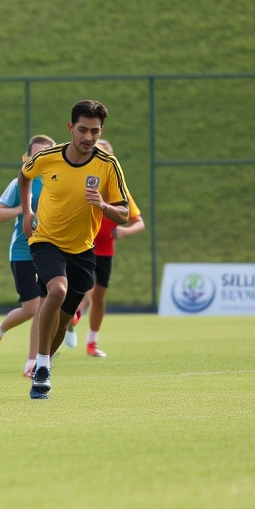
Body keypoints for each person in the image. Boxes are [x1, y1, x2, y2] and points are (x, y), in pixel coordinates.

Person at [20, 100, 130, 400]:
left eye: (95, 131)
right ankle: (42, 366)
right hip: (46, 240)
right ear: (71, 128)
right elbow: (24, 176)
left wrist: (103, 205)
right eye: (83, 130)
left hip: (83, 249)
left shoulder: (108, 165)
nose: (88, 137)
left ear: (101, 131)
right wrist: (28, 211)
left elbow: (124, 212)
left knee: (65, 320)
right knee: (56, 290)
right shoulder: (48, 157)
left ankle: (42, 369)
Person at [0, 135, 55, 378]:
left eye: (44, 154)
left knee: (44, 306)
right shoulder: (22, 181)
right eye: (34, 155)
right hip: (24, 252)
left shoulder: (62, 180)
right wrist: (25, 209)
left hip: (53, 249)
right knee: (32, 309)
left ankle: (32, 363)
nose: (39, 159)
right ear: (28, 158)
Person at [79, 139, 145, 358]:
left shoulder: (120, 191)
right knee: (80, 289)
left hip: (105, 250)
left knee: (98, 296)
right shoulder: (84, 184)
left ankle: (92, 342)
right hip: (81, 245)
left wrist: (125, 231)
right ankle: (71, 319)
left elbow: (138, 221)